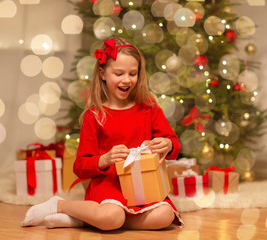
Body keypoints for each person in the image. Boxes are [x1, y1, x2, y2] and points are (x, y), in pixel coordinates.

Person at [21, 37, 184, 230]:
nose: (126, 80)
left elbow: (174, 143)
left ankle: (88, 218)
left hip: (142, 185)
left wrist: (168, 145)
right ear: (103, 74)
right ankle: (60, 205)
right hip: (109, 185)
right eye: (119, 73)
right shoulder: (95, 115)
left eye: (133, 74)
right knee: (113, 215)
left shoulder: (148, 107)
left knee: (165, 216)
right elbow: (80, 166)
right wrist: (105, 159)